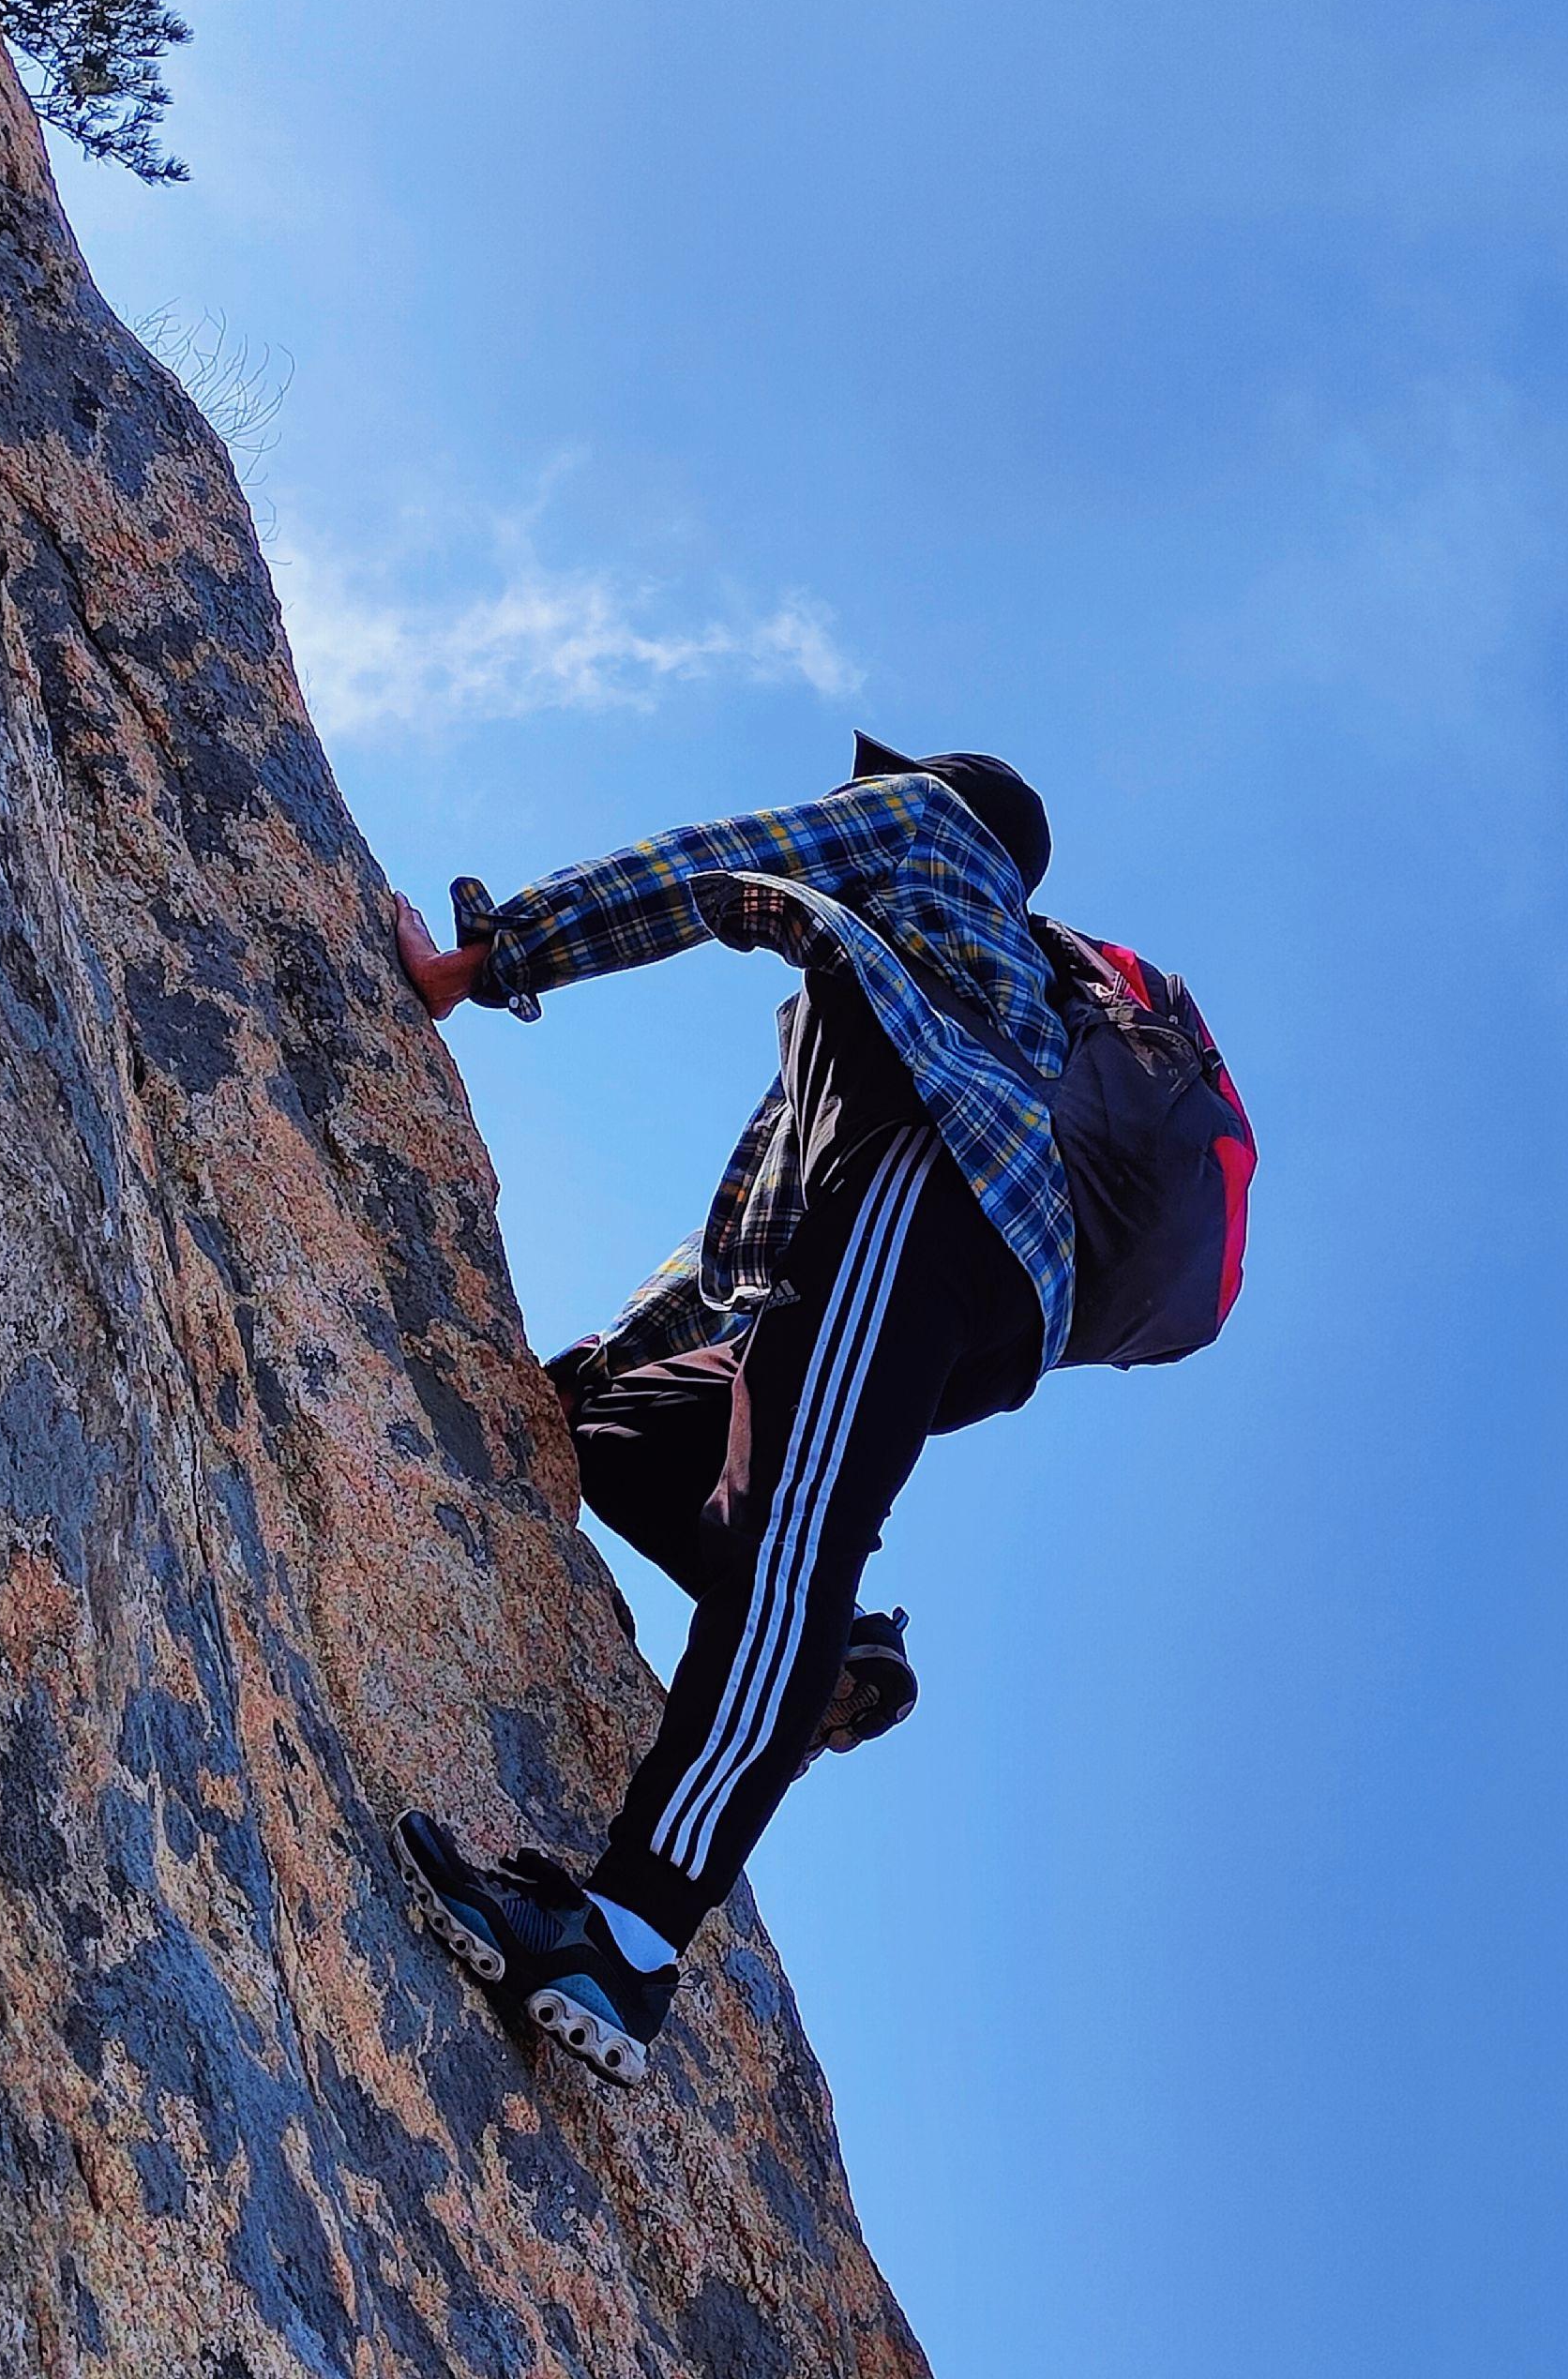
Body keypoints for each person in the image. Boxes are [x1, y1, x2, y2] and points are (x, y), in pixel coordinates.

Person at [390, 731, 1075, 2086]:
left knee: (793, 1547)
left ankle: (624, 1942)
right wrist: (593, 1372)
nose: (855, 792)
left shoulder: (922, 831)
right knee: (623, 1440)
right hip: (964, 1273)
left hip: (933, 1205)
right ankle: (821, 1650)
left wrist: (498, 955)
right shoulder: (948, 988)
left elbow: (717, 866)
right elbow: (744, 1250)